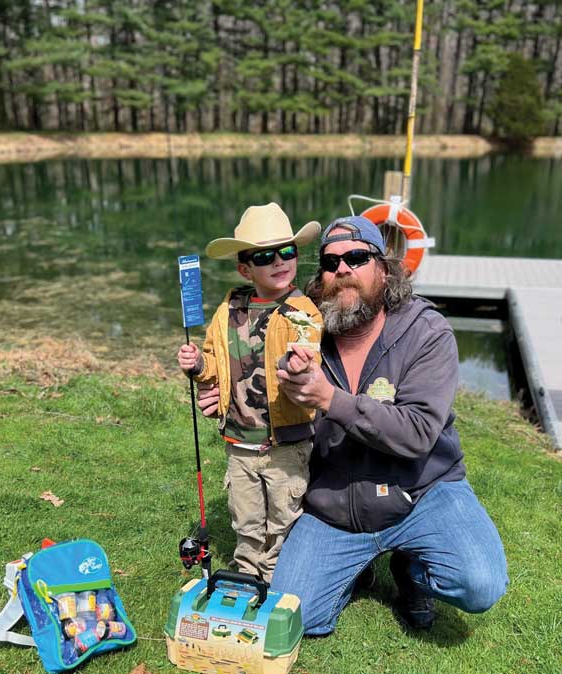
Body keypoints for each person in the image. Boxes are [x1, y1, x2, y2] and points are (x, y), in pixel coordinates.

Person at [266, 214, 508, 633]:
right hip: (335, 506)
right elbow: (268, 400)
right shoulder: (302, 331)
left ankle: (413, 572)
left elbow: (416, 433)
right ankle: (354, 570)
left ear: (383, 268)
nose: (342, 269)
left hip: (420, 491)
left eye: (357, 257)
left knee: (480, 584)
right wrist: (224, 396)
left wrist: (330, 399)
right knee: (297, 618)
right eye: (330, 262)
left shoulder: (427, 332)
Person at [177, 202, 323, 584]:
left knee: (283, 516)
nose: (280, 261)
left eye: (287, 251)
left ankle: (277, 579)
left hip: (286, 445)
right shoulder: (229, 309)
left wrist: (300, 364)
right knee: (246, 517)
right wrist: (197, 366)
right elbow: (213, 361)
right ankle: (246, 575)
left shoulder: (302, 310)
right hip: (239, 441)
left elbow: (309, 346)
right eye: (265, 256)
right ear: (245, 269)